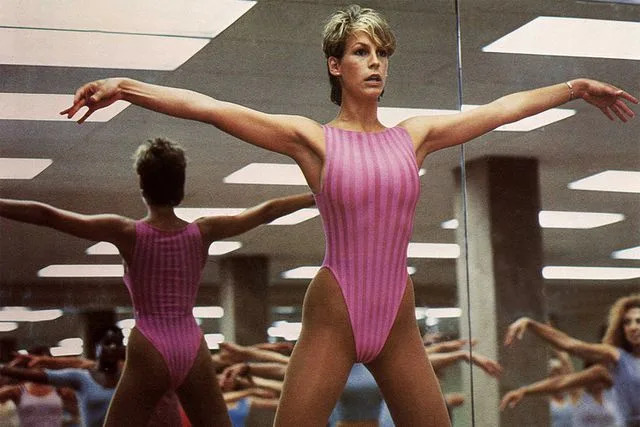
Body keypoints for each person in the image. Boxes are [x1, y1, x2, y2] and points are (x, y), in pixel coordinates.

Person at [60, 5, 637, 424]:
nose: (375, 62)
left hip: (397, 314)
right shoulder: (313, 140)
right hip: (335, 310)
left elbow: (500, 110)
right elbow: (212, 108)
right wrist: (124, 87)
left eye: (381, 53)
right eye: (362, 52)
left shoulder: (415, 136)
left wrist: (574, 87)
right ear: (335, 66)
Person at [0, 137, 315, 426]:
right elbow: (267, 210)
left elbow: (48, 215)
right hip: (191, 343)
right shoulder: (203, 231)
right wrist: (316, 196)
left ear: (142, 186)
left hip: (149, 343)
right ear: (180, 186)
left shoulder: (127, 231)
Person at [3, 327, 183, 427]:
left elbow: (83, 362)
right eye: (107, 344)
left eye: (117, 344)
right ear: (96, 347)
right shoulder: (82, 378)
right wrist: (6, 368)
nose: (112, 348)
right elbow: (43, 375)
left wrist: (47, 360)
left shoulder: (130, 375)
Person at [504, 294, 640, 425]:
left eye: (638, 321)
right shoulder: (617, 357)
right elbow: (570, 347)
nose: (633, 327)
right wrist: (531, 324)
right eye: (627, 322)